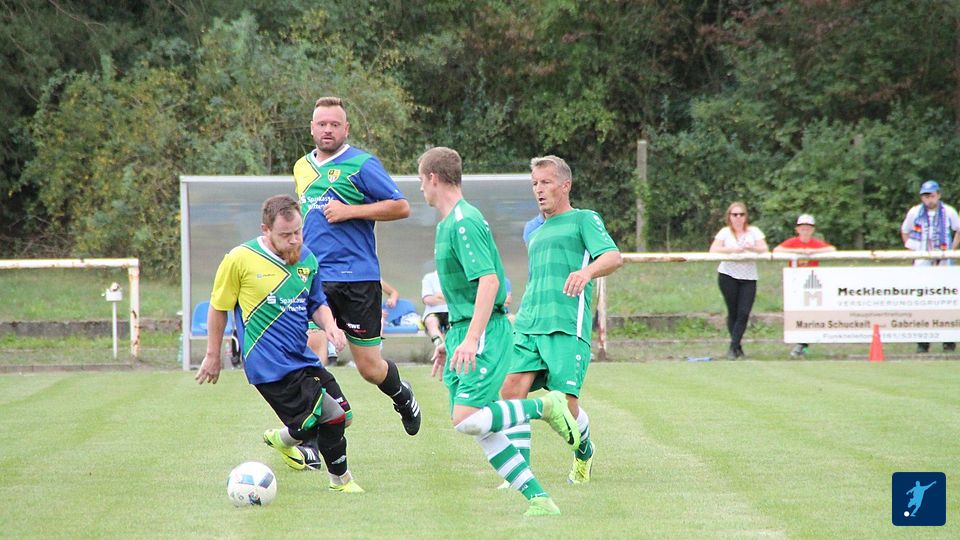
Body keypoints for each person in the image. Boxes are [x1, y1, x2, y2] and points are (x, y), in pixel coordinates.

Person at [419, 147, 577, 517]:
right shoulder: (448, 224)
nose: (421, 189)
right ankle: (539, 500)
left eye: (421, 181)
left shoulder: (465, 221)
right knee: (479, 426)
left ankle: (544, 406)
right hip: (460, 331)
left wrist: (472, 337)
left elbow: (490, 282)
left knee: (466, 418)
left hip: (484, 332)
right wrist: (451, 339)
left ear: (433, 178)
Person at [195, 195, 363, 493]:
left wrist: (331, 327)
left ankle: (282, 439)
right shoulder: (240, 259)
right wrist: (213, 355)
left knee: (344, 416)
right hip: (269, 363)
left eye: (298, 231)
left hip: (302, 357)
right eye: (286, 235)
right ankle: (341, 482)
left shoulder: (307, 259)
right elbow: (219, 307)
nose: (294, 239)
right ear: (266, 230)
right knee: (332, 417)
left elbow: (316, 303)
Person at [293, 96, 421, 434]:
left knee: (369, 368)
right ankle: (321, 428)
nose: (328, 129)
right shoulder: (302, 167)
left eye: (335, 124)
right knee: (309, 352)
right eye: (322, 124)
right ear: (312, 128)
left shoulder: (362, 164)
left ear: (346, 129)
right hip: (314, 277)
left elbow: (401, 206)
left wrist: (350, 211)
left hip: (357, 278)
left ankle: (401, 394)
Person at [494, 155, 622, 487]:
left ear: (565, 185)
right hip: (529, 323)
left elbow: (613, 257)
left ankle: (584, 451)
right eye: (534, 183)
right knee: (510, 390)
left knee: (565, 407)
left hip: (565, 324)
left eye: (546, 182)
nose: (538, 189)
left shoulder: (584, 219)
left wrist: (587, 272)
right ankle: (519, 475)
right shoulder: (532, 230)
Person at [900, 179, 960, 353]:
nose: (929, 199)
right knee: (922, 298)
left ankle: (948, 340)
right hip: (923, 260)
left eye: (931, 195)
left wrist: (951, 250)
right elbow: (905, 231)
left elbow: (958, 229)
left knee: (946, 299)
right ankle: (923, 341)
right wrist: (913, 249)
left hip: (943, 259)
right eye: (925, 196)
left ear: (938, 195)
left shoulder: (948, 211)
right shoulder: (915, 212)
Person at [709, 201, 769, 359]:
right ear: (729, 216)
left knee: (744, 312)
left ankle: (733, 346)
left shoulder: (754, 232)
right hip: (728, 275)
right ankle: (737, 348)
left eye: (741, 214)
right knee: (733, 312)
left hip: (749, 277)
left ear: (745, 216)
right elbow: (713, 250)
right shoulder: (724, 232)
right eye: (734, 214)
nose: (738, 217)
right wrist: (731, 249)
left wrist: (751, 248)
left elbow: (764, 248)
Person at [773, 213, 836, 357]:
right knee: (796, 313)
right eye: (802, 227)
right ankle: (800, 343)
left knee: (810, 314)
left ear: (812, 230)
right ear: (797, 229)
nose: (805, 230)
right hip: (795, 283)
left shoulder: (815, 243)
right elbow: (777, 250)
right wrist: (798, 251)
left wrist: (813, 252)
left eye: (808, 227)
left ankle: (802, 344)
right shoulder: (793, 242)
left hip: (811, 286)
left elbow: (832, 249)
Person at [420, 270, 449, 348]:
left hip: (452, 311)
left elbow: (459, 298)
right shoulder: (429, 278)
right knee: (431, 322)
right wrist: (448, 298)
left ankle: (450, 348)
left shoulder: (457, 276)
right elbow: (427, 299)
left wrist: (439, 296)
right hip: (432, 312)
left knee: (453, 325)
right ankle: (441, 347)